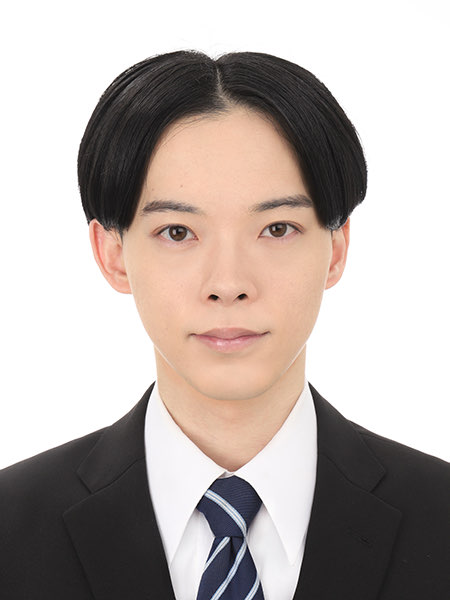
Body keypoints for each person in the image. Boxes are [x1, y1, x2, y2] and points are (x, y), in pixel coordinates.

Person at [0, 49, 448, 600]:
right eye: (178, 232)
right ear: (112, 254)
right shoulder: (10, 528)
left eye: (277, 229)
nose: (229, 283)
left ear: (336, 249)